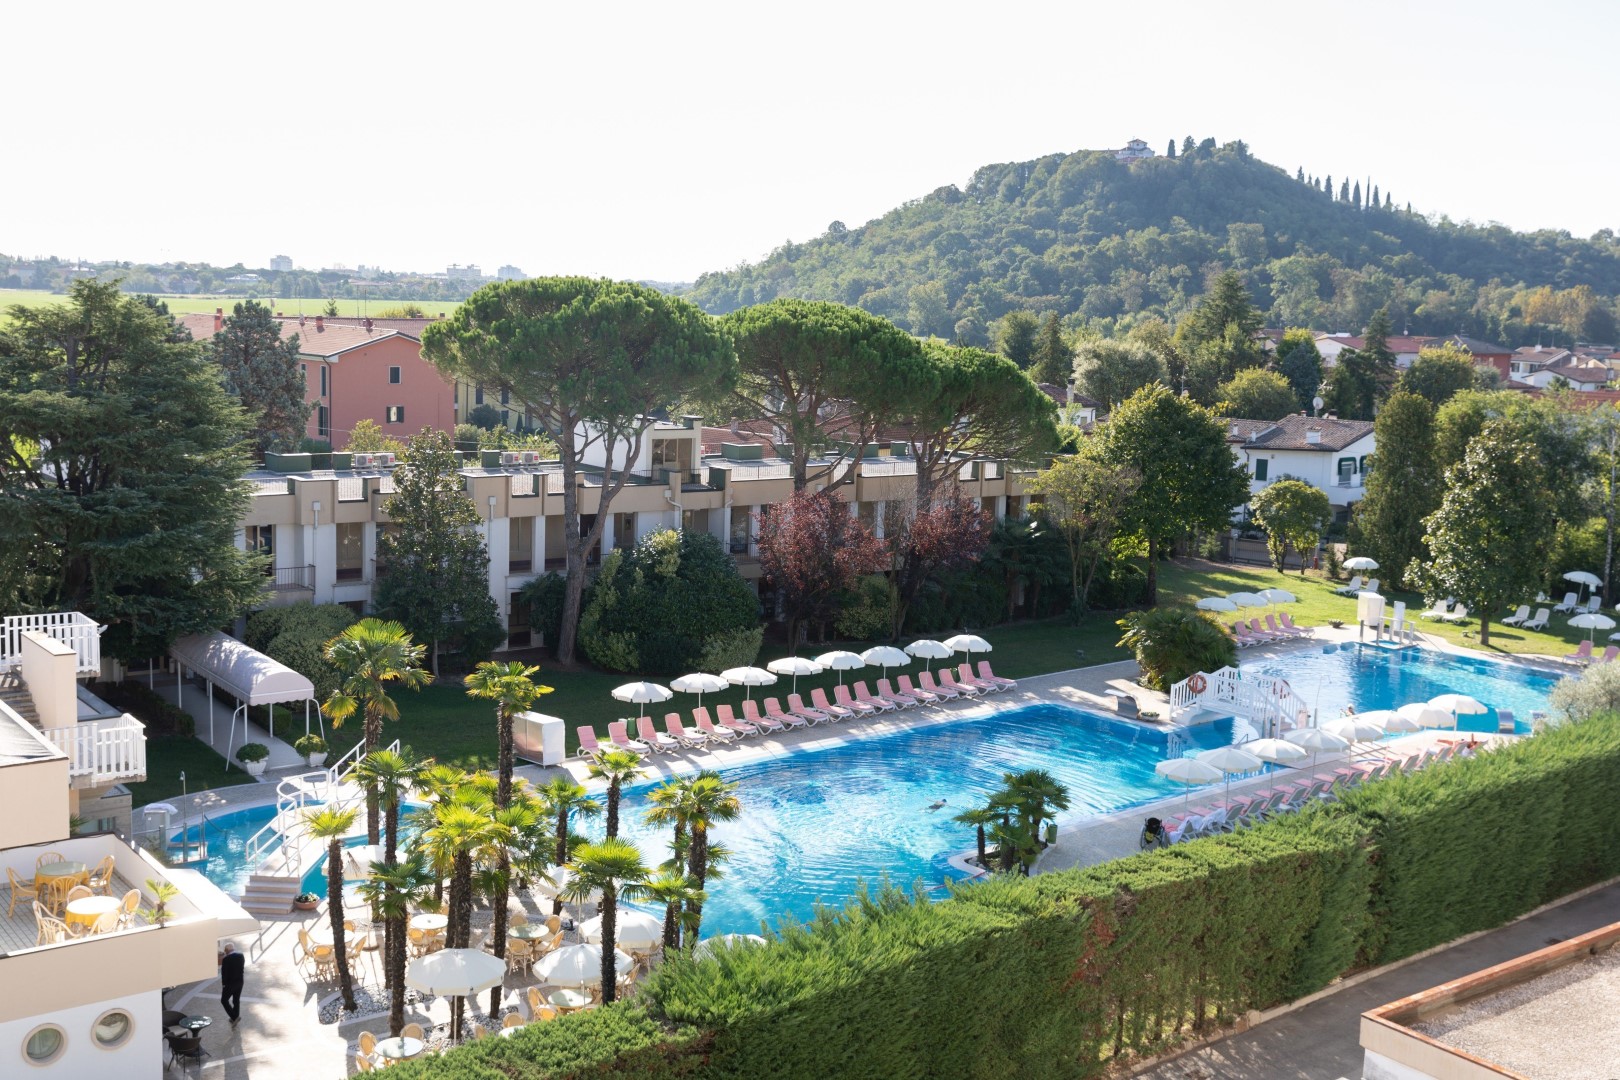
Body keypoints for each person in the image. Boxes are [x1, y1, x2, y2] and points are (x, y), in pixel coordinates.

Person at [219, 942, 246, 1025]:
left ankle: (234, 1017)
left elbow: (224, 973)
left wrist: (224, 984)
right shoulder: (241, 955)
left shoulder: (226, 959)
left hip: (230, 984)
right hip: (240, 982)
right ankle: (235, 1017)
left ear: (227, 950)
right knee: (236, 1000)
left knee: (224, 1000)